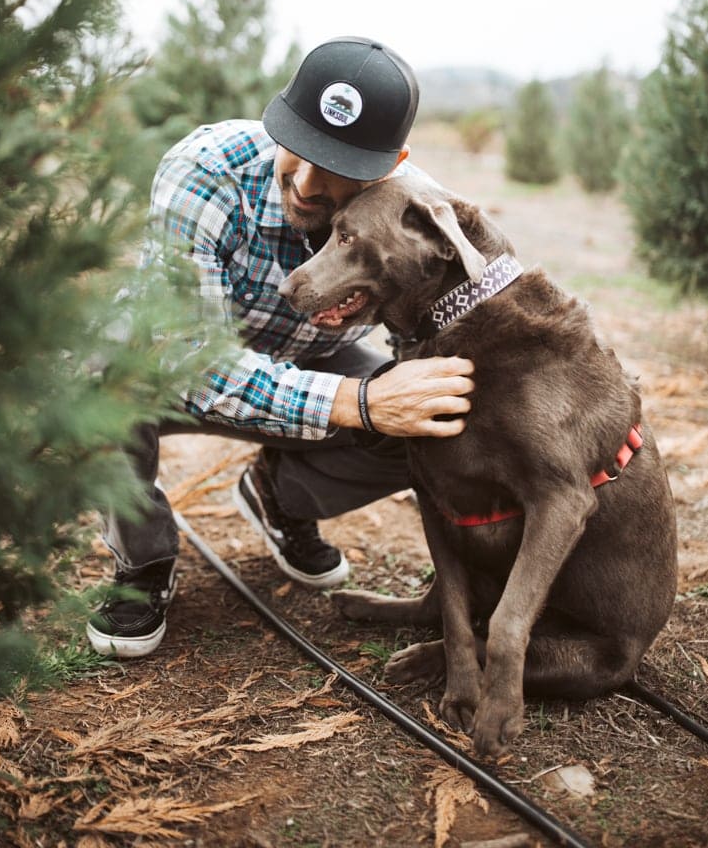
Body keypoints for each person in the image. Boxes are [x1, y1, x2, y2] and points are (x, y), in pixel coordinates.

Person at [87, 36, 475, 658]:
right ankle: (143, 562)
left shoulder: (414, 212)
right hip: (165, 359)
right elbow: (196, 361)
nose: (309, 183)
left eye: (340, 166)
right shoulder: (206, 172)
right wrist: (362, 403)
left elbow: (447, 329)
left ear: (393, 162)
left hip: (308, 364)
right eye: (300, 148)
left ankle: (280, 495)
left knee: (436, 420)